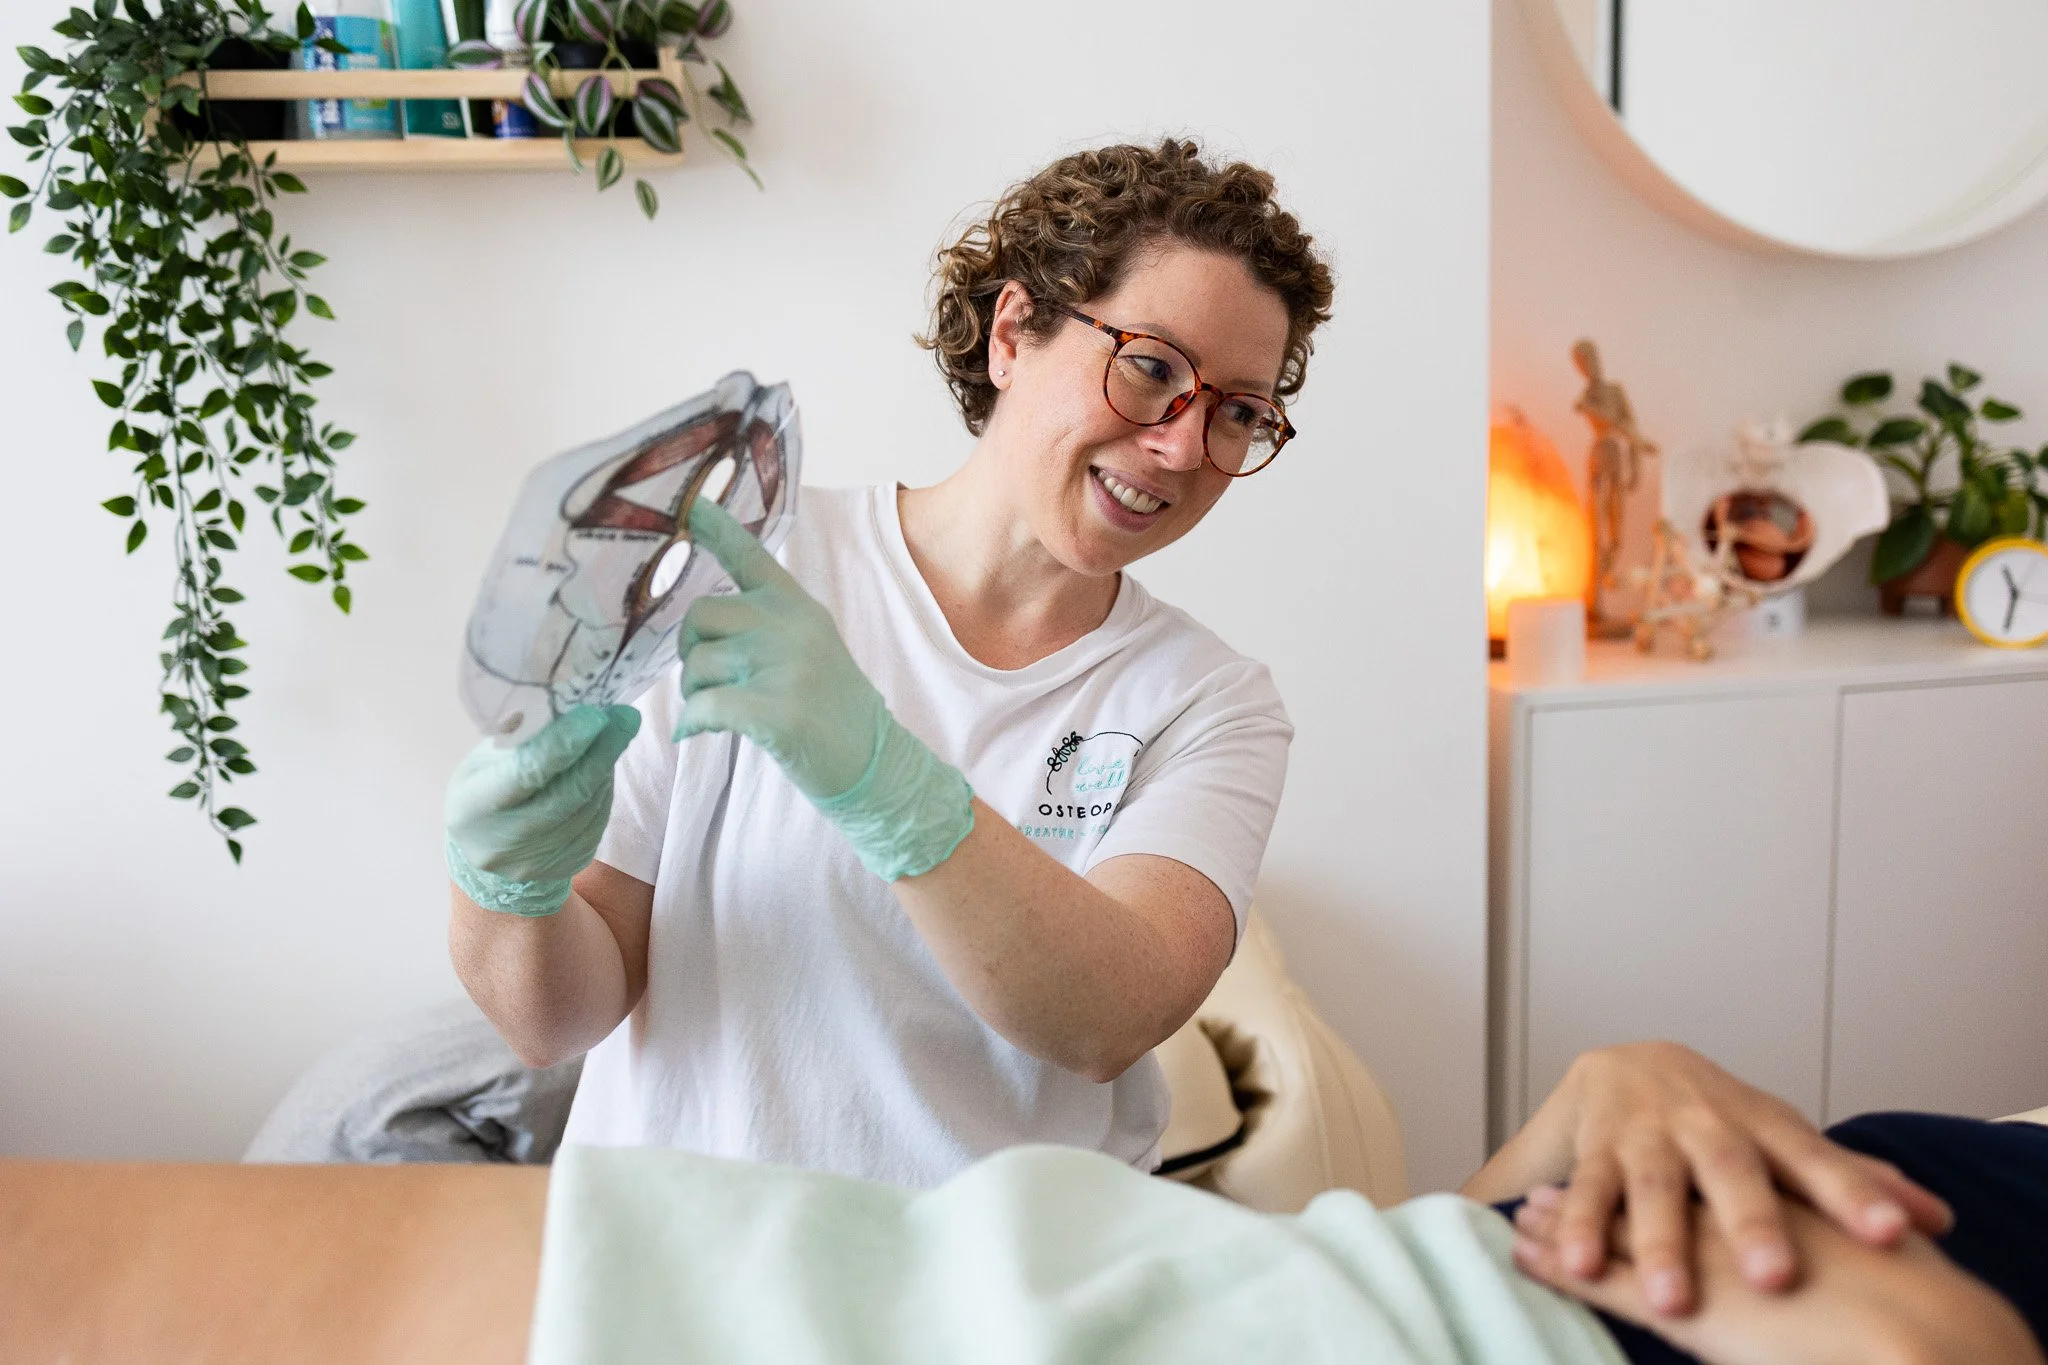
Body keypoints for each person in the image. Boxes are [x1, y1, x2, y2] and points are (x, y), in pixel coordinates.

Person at [440, 137, 1968, 1322]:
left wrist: (874, 772)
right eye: (1152, 370)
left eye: (1239, 412)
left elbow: (1103, 1014)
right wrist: (506, 879)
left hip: (1020, 1310)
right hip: (681, 1289)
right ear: (1012, 331)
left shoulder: (1207, 703)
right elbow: (554, 1017)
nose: (1181, 446)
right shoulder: (753, 566)